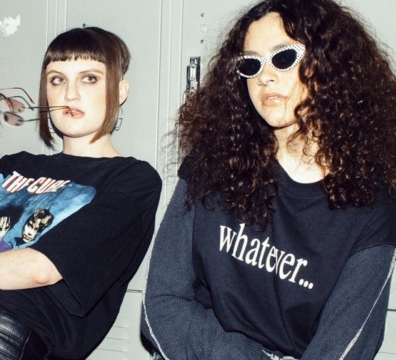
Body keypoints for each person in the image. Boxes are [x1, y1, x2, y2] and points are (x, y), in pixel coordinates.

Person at [141, 0, 396, 359]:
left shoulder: (371, 209)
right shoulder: (212, 165)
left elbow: (344, 350)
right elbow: (161, 303)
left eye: (283, 57)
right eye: (251, 63)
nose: (264, 76)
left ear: (330, 64)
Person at [0, 26, 162, 360]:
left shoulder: (133, 180)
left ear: (119, 90)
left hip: (3, 345)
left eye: (89, 78)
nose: (70, 94)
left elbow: (42, 266)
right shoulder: (14, 166)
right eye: (57, 80)